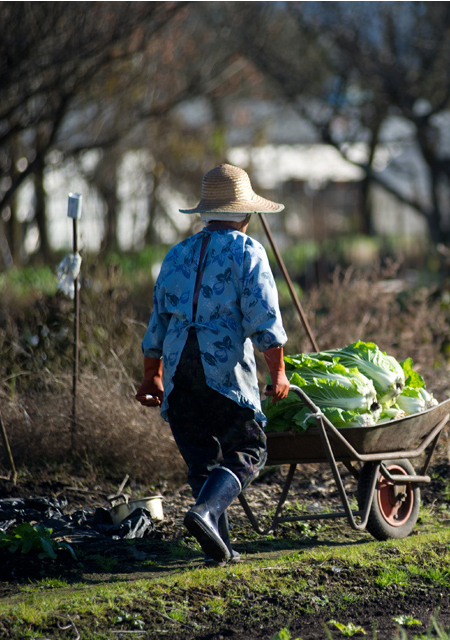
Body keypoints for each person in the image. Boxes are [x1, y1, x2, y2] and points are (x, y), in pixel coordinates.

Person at [136, 164, 290, 564]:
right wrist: (277, 371)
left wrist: (152, 376)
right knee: (249, 450)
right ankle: (205, 512)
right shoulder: (246, 251)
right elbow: (264, 318)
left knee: (201, 457)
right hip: (220, 369)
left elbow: (159, 319)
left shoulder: (177, 253)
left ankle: (219, 549)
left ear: (206, 212)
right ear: (246, 213)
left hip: (177, 368)